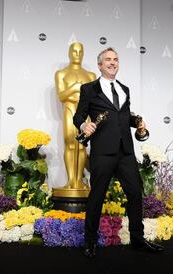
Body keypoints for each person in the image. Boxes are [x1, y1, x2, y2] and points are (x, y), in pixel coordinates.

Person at [73, 47, 163, 258]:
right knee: (97, 196)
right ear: (100, 64)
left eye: (115, 59)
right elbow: (78, 116)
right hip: (103, 152)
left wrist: (137, 123)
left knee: (134, 193)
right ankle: (90, 242)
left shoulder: (124, 89)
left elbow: (122, 117)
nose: (112, 62)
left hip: (126, 151)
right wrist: (83, 126)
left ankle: (138, 240)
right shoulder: (89, 89)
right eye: (108, 60)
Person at [55, 42, 96, 191]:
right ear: (69, 53)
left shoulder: (90, 75)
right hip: (70, 108)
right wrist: (74, 88)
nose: (77, 55)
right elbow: (61, 96)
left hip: (85, 113)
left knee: (82, 145)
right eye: (74, 51)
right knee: (70, 143)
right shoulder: (61, 73)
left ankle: (79, 180)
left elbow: (94, 99)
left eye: (80, 52)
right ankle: (70, 181)